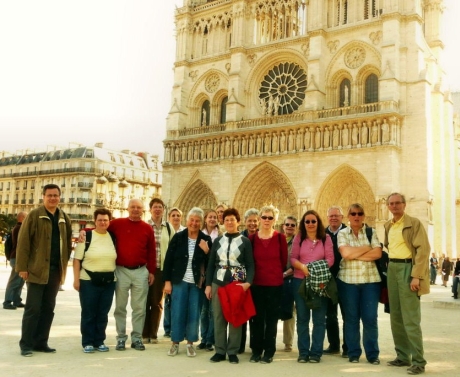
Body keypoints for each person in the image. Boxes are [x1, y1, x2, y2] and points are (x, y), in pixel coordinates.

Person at [81, 199, 156, 352]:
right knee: (120, 307)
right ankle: (121, 338)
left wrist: (152, 271)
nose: (135, 210)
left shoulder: (147, 228)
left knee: (139, 308)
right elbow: (101, 228)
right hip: (121, 270)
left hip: (141, 271)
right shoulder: (117, 223)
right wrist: (85, 231)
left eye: (138, 207)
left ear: (143, 210)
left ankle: (137, 338)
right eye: (133, 207)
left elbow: (151, 251)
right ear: (127, 208)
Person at [16, 184, 72, 357]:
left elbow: (68, 242)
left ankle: (41, 342)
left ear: (60, 197)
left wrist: (64, 262)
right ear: (43, 197)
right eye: (49, 195)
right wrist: (23, 267)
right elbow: (23, 243)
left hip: (55, 270)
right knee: (33, 308)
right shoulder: (34, 215)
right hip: (36, 270)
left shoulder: (64, 217)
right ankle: (26, 344)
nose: (53, 198)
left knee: (48, 307)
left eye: (56, 195)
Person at [384, 193, 430, 375]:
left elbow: (423, 250)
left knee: (410, 318)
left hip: (407, 269)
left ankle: (419, 361)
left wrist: (416, 276)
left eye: (398, 203)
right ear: (387, 206)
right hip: (393, 269)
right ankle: (403, 356)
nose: (394, 206)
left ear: (404, 205)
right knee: (395, 315)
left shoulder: (414, 223)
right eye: (391, 204)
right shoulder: (388, 225)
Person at [205, 208, 254, 364]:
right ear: (223, 222)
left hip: (236, 282)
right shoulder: (218, 240)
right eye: (226, 220)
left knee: (235, 317)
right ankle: (220, 350)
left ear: (238, 221)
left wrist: (248, 283)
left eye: (232, 219)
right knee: (218, 317)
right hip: (218, 281)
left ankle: (232, 351)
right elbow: (211, 264)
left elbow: (251, 265)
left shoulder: (245, 241)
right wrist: (208, 285)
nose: (230, 222)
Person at [163, 207, 212, 357]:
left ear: (201, 222)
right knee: (177, 312)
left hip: (197, 283)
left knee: (194, 313)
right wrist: (167, 282)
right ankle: (175, 343)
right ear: (187, 221)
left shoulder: (206, 239)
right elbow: (168, 261)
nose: (194, 223)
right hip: (179, 281)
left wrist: (207, 252)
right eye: (192, 220)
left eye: (197, 221)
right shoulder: (178, 237)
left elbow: (211, 264)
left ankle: (190, 343)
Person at [337, 203, 382, 365]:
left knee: (370, 319)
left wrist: (354, 253)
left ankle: (372, 354)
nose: (356, 216)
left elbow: (378, 253)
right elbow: (345, 253)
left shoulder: (371, 232)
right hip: (348, 282)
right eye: (353, 213)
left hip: (371, 281)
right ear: (348, 217)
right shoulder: (342, 233)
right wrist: (366, 248)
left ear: (364, 215)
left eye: (360, 213)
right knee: (351, 319)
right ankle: (353, 353)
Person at [291, 210, 334, 363]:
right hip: (300, 281)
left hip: (319, 282)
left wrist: (314, 269)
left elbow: (330, 259)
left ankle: (316, 353)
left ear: (318, 223)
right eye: (307, 221)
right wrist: (303, 267)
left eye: (313, 221)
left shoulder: (326, 238)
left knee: (319, 319)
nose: (310, 224)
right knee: (302, 318)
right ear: (303, 224)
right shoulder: (299, 238)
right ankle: (303, 352)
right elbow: (293, 258)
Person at [73, 208, 117, 353]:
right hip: (88, 281)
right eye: (100, 220)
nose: (103, 222)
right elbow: (77, 259)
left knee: (103, 313)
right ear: (95, 221)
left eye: (105, 220)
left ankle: (100, 341)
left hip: (109, 282)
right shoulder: (86, 236)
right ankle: (87, 342)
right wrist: (76, 280)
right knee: (89, 312)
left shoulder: (113, 236)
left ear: (109, 221)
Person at [249, 205, 287, 364]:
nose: (266, 220)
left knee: (271, 319)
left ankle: (269, 352)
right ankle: (256, 351)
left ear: (275, 220)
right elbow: (249, 262)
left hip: (274, 285)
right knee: (257, 319)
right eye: (264, 217)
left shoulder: (280, 238)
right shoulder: (252, 239)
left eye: (270, 217)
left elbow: (283, 261)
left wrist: (275, 274)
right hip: (257, 284)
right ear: (259, 219)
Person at [142, 198, 174, 344]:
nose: (157, 209)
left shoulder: (168, 227)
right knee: (143, 302)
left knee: (157, 302)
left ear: (163, 209)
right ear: (150, 210)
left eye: (160, 207)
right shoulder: (144, 226)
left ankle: (153, 334)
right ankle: (144, 333)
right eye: (155, 207)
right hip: (144, 269)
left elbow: (174, 248)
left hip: (161, 269)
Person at [324, 206, 348, 357]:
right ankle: (333, 346)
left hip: (346, 279)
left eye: (336, 216)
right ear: (327, 218)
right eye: (331, 216)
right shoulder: (322, 234)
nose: (333, 218)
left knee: (348, 315)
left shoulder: (348, 232)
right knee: (330, 314)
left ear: (342, 217)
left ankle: (348, 347)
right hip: (328, 280)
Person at [197, 209, 221, 351]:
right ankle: (204, 338)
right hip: (202, 277)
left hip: (216, 276)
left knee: (213, 309)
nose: (212, 219)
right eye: (210, 217)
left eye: (214, 217)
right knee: (204, 310)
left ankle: (211, 339)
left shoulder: (221, 235)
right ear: (205, 219)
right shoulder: (199, 234)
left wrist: (207, 251)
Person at [239, 207, 259, 353]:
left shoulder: (262, 237)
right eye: (249, 221)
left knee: (256, 314)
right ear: (245, 222)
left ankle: (255, 345)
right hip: (242, 280)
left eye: (255, 221)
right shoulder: (239, 238)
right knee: (241, 313)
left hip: (258, 280)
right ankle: (239, 346)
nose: (252, 223)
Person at [164, 206, 185, 337]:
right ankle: (167, 328)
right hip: (166, 267)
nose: (176, 217)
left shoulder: (185, 231)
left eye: (178, 215)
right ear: (169, 217)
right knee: (167, 301)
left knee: (177, 301)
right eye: (173, 215)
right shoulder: (165, 230)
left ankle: (177, 327)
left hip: (179, 270)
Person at [3, 211, 27, 310]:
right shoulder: (20, 228)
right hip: (17, 258)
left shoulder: (18, 228)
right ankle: (7, 302)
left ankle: (17, 300)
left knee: (20, 281)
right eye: (27, 217)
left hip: (18, 258)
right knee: (14, 281)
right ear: (22, 218)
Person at [280, 215, 297, 352]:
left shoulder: (298, 242)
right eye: (287, 224)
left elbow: (299, 260)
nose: (289, 227)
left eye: (292, 225)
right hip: (276, 279)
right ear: (283, 226)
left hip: (291, 278)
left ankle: (288, 342)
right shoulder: (277, 239)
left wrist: (285, 274)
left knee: (290, 312)